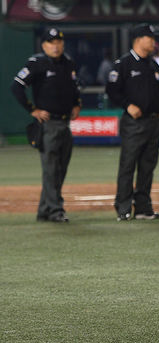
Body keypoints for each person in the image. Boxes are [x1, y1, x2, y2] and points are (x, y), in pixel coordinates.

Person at [10, 27, 81, 223]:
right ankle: (56, 210)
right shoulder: (37, 63)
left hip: (65, 123)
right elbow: (16, 86)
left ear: (63, 44)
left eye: (58, 42)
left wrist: (77, 104)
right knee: (51, 170)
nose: (55, 46)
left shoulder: (68, 63)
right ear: (43, 45)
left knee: (60, 169)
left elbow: (75, 87)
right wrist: (32, 109)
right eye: (51, 43)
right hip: (48, 124)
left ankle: (44, 210)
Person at [106, 23, 159, 221]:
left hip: (153, 122)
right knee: (128, 165)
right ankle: (123, 208)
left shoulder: (153, 64)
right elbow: (112, 90)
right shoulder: (124, 64)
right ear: (138, 40)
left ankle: (143, 207)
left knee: (147, 166)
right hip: (134, 124)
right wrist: (127, 106)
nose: (153, 42)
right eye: (150, 38)